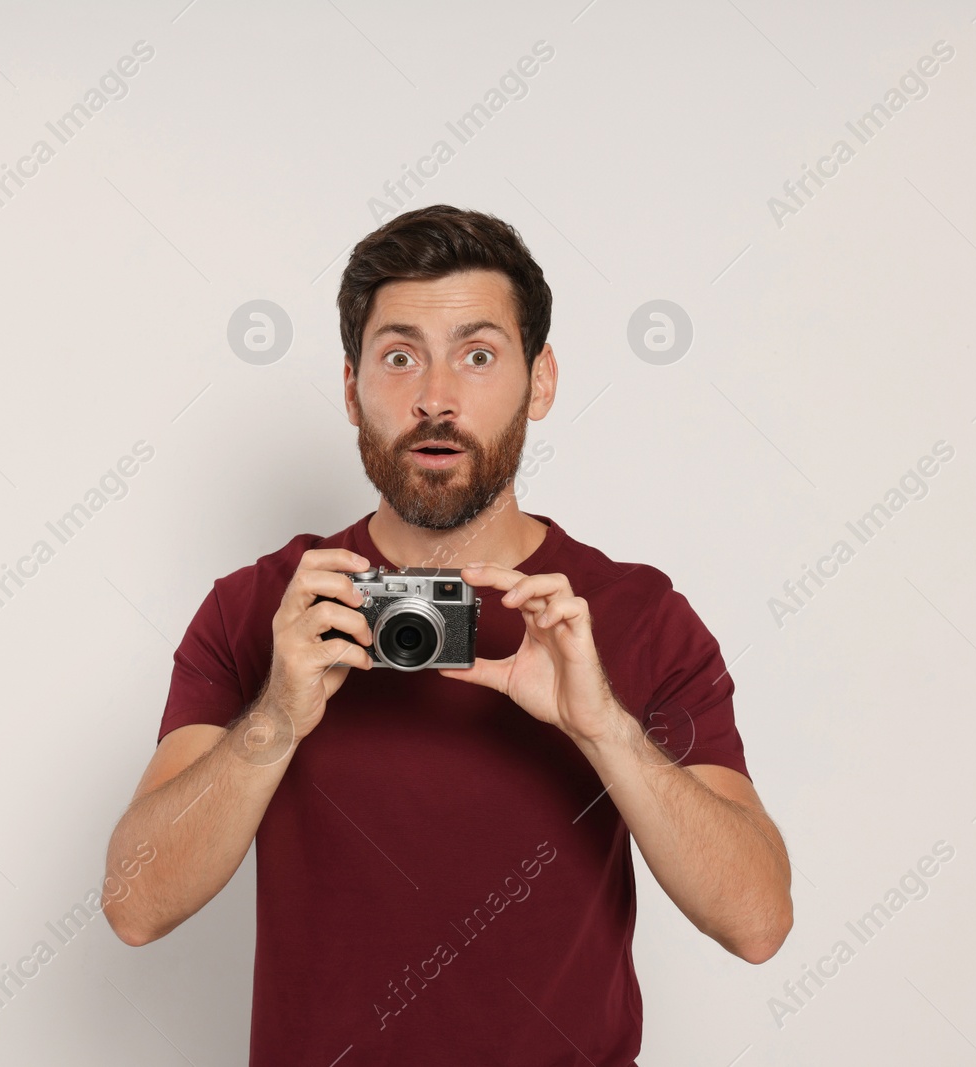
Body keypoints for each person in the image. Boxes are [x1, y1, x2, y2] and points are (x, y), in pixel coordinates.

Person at [101, 205, 792, 1064]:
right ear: (352, 389)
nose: (435, 397)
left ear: (539, 382)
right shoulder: (264, 610)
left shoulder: (637, 614)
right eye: (399, 358)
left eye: (477, 355)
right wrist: (276, 715)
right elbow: (135, 905)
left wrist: (602, 726)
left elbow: (758, 921)